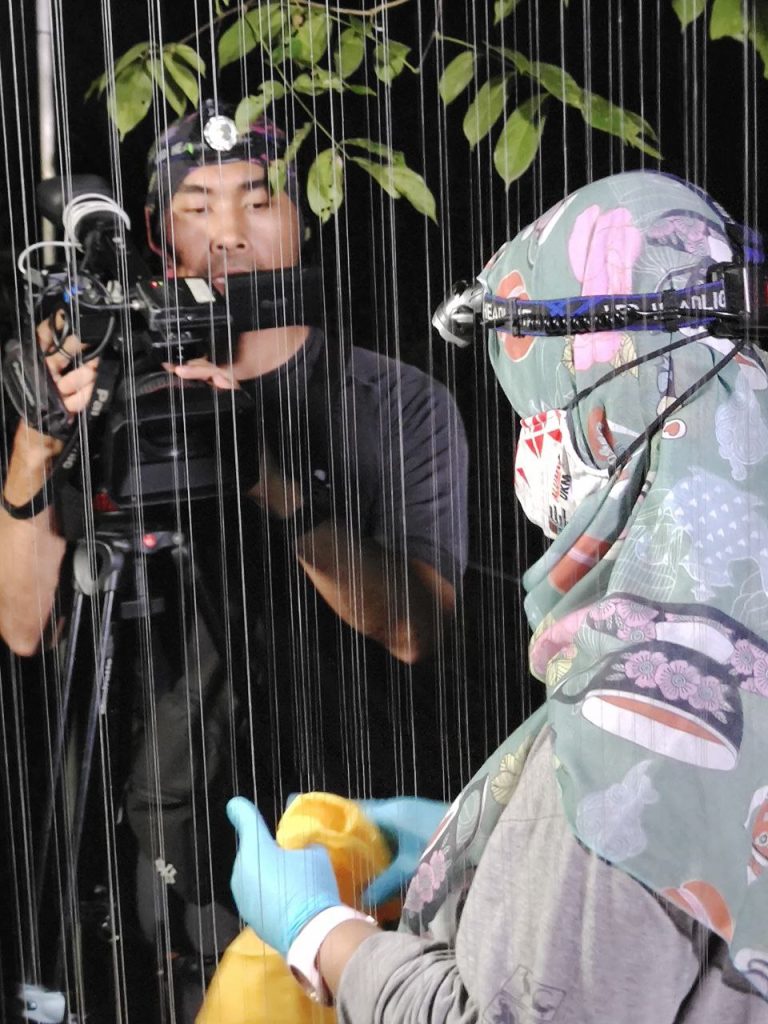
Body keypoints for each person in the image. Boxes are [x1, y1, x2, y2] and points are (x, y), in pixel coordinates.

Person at [226, 170, 768, 1022]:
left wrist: (319, 933)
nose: (528, 443)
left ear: (600, 402)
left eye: (533, 410)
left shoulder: (645, 713)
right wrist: (502, 835)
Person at [0, 101, 468, 1013]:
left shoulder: (396, 401)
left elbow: (417, 631)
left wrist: (267, 476)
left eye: (258, 200)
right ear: (154, 234)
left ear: (306, 213)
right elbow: (24, 628)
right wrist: (35, 445)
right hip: (166, 872)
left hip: (357, 848)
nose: (227, 232)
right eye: (196, 205)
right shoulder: (106, 393)